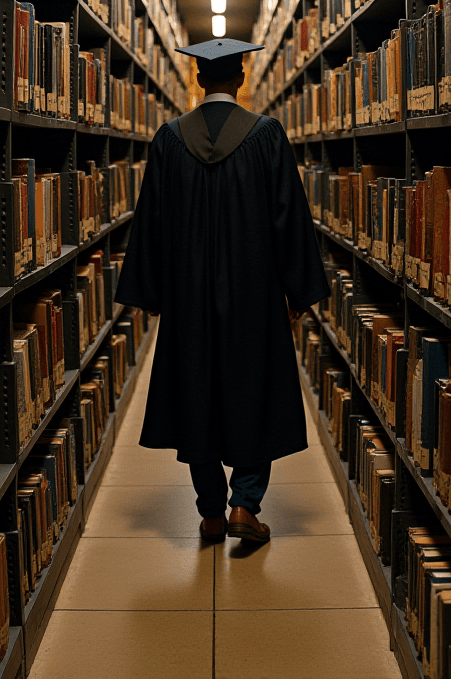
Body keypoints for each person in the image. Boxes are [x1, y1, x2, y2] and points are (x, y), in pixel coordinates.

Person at [114, 37, 329, 543]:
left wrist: (156, 293)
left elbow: (152, 225)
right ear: (242, 77)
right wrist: (297, 292)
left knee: (197, 393)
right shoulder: (268, 135)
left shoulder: (168, 140)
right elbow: (288, 219)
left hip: (188, 298)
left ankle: (210, 511)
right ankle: (245, 506)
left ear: (197, 80)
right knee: (253, 389)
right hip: (254, 294)